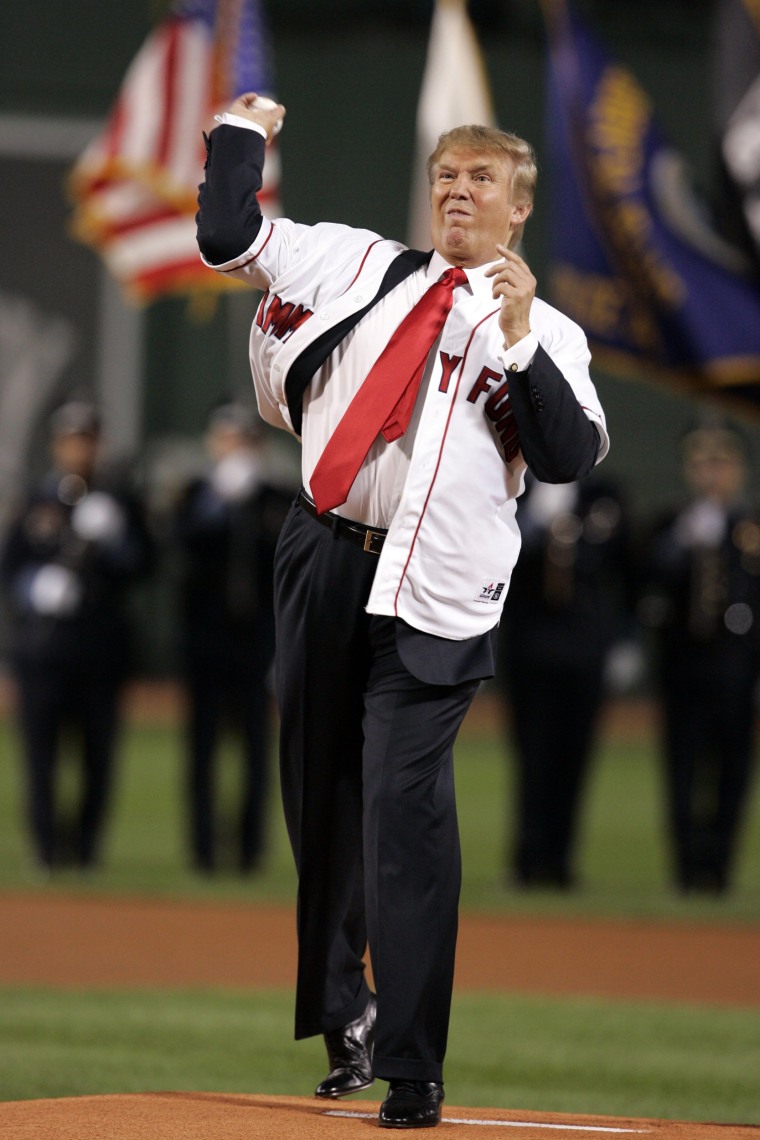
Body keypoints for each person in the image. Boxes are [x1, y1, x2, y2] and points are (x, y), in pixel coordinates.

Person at [196, 94, 609, 1129]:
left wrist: (515, 342)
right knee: (317, 798)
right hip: (323, 554)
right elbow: (225, 233)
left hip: (435, 595)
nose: (457, 190)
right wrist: (240, 134)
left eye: (481, 179)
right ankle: (350, 1009)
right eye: (446, 174)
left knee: (402, 816)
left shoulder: (547, 330)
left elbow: (564, 456)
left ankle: (416, 1066)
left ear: (517, 210)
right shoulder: (355, 261)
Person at [0, 399, 153, 873]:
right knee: (41, 758)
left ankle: (85, 853)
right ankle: (46, 851)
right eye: (71, 439)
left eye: (87, 439)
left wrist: (114, 543)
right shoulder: (36, 499)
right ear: (56, 444)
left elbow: (145, 566)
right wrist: (35, 589)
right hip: (44, 650)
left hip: (100, 649)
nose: (79, 449)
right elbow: (11, 568)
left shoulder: (119, 500)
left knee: (96, 759)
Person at [498, 473, 636, 890]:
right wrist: (534, 530)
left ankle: (560, 862)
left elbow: (626, 569)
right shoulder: (514, 493)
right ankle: (526, 860)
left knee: (575, 758)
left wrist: (627, 639)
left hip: (585, 650)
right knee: (531, 756)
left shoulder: (605, 495)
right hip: (529, 648)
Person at [639, 420, 760, 895]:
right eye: (701, 463)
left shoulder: (751, 526)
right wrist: (684, 540)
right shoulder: (672, 525)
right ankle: (687, 870)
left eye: (722, 462)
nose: (711, 474)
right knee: (683, 769)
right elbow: (649, 578)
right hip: (683, 665)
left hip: (739, 664)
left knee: (733, 770)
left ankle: (720, 869)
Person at [172, 399, 291, 874]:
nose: (237, 449)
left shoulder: (278, 500)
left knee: (257, 751)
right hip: (204, 640)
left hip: (258, 640)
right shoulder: (194, 494)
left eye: (246, 440)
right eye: (228, 439)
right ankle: (202, 850)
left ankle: (248, 852)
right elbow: (180, 549)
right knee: (201, 749)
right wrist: (216, 507)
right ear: (212, 444)